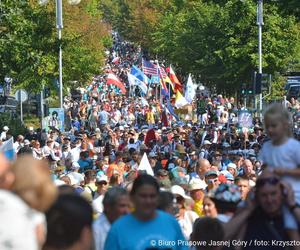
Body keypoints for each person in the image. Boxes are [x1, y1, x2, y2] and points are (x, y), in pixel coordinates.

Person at [104, 174, 188, 250]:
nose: (148, 201)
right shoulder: (118, 229)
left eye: (152, 196)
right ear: (132, 197)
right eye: (143, 196)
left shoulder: (171, 223)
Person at [259, 103, 300, 203]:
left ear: (285, 125)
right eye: (267, 126)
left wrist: (285, 171)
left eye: (274, 126)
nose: (270, 129)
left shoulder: (294, 146)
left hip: (294, 194)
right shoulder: (266, 146)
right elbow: (264, 167)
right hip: (272, 196)